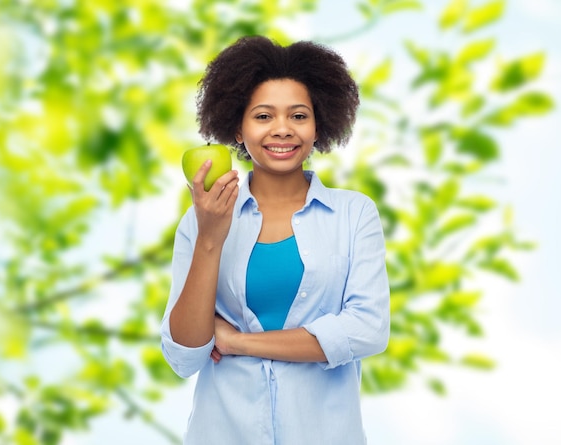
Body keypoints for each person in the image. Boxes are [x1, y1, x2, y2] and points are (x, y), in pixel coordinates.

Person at [160, 35, 390, 445]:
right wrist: (211, 237)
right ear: (237, 125)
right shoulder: (200, 221)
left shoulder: (354, 215)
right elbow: (184, 355)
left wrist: (239, 342)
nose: (282, 130)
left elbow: (367, 330)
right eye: (263, 116)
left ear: (318, 124)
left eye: (298, 116)